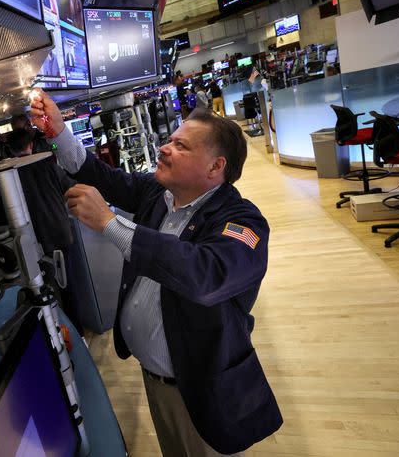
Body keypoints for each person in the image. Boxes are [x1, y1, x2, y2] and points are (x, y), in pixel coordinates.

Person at [29, 88, 281, 456]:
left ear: (216, 167)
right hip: (156, 381)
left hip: (201, 390)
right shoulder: (158, 194)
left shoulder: (242, 222)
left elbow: (204, 275)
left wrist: (110, 223)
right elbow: (103, 176)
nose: (165, 148)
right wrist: (58, 132)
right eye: (170, 139)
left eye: (182, 146)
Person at [6, 128, 84, 334]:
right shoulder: (48, 164)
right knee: (69, 287)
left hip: (37, 243)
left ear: (11, 150)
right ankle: (78, 334)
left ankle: (56, 334)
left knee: (44, 291)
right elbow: (71, 187)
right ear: (30, 145)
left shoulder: (10, 177)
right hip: (61, 234)